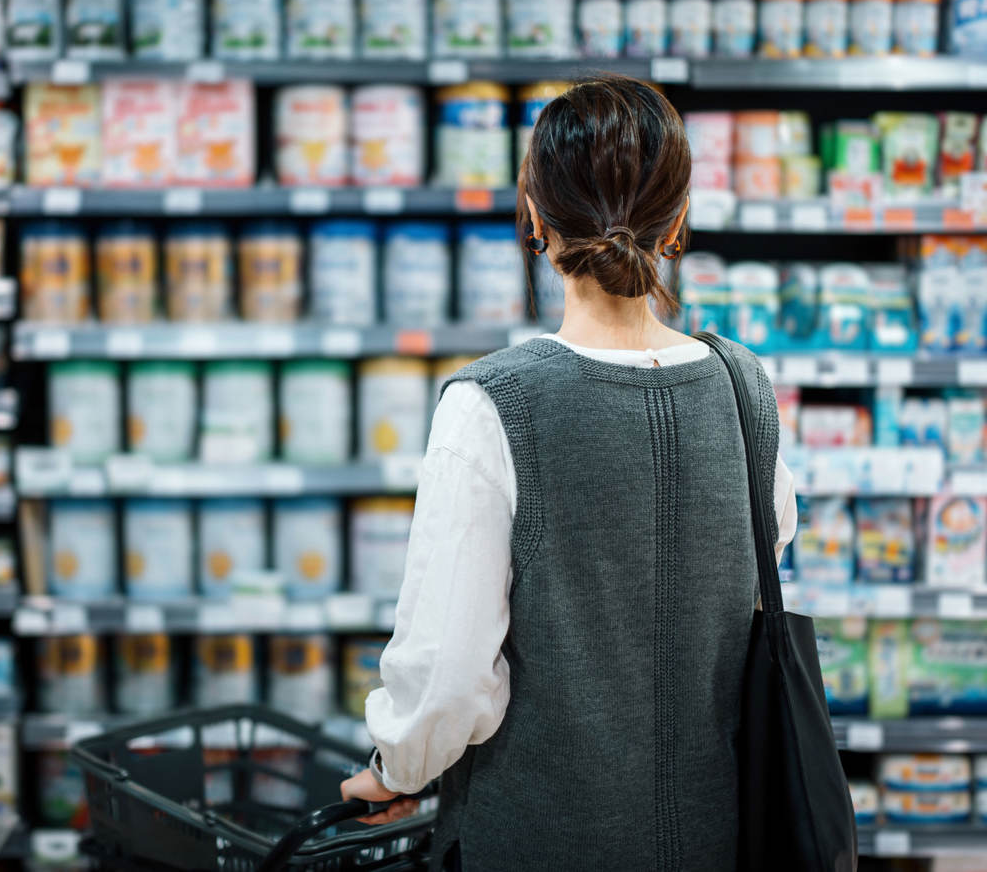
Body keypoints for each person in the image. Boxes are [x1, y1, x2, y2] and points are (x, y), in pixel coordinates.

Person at [339, 75, 798, 871]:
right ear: (678, 222)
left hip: (538, 839)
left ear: (534, 218)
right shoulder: (745, 387)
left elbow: (447, 677)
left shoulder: (492, 406)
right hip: (717, 837)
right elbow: (753, 582)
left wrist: (395, 770)